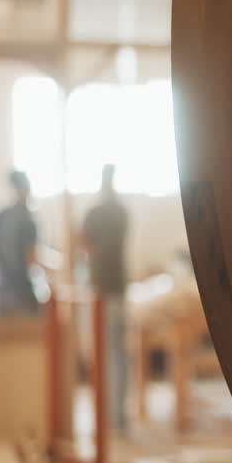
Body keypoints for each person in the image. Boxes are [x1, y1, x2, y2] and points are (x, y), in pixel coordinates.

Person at [81, 164, 130, 436]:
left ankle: (112, 418)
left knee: (107, 354)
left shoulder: (98, 213)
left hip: (103, 290)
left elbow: (85, 245)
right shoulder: (121, 212)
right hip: (114, 290)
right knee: (116, 355)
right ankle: (115, 418)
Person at [0, 169, 41, 316]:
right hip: (22, 294)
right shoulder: (27, 219)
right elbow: (31, 257)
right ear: (24, 187)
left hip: (2, 293)